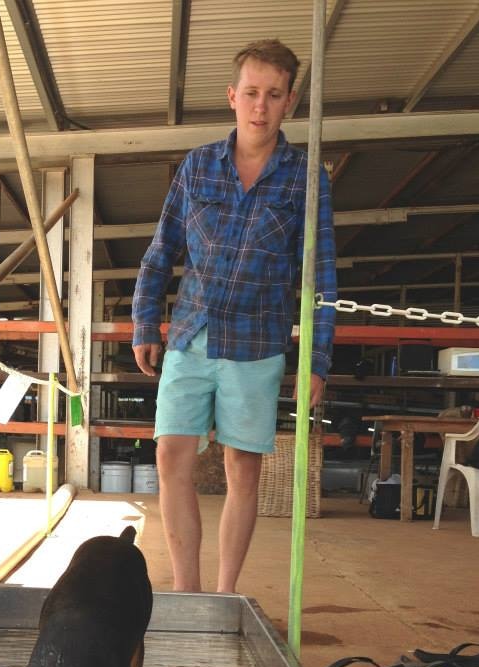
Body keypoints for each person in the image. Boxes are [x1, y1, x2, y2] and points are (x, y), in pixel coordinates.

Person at [132, 38, 337, 594]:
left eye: (273, 95)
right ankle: (186, 590)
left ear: (289, 102)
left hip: (258, 343)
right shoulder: (198, 167)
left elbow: (321, 278)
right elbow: (161, 251)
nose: (260, 105)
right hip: (193, 333)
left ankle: (224, 594)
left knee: (242, 469)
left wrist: (316, 361)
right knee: (171, 452)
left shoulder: (306, 177)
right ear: (232, 96)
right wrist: (146, 323)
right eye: (251, 93)